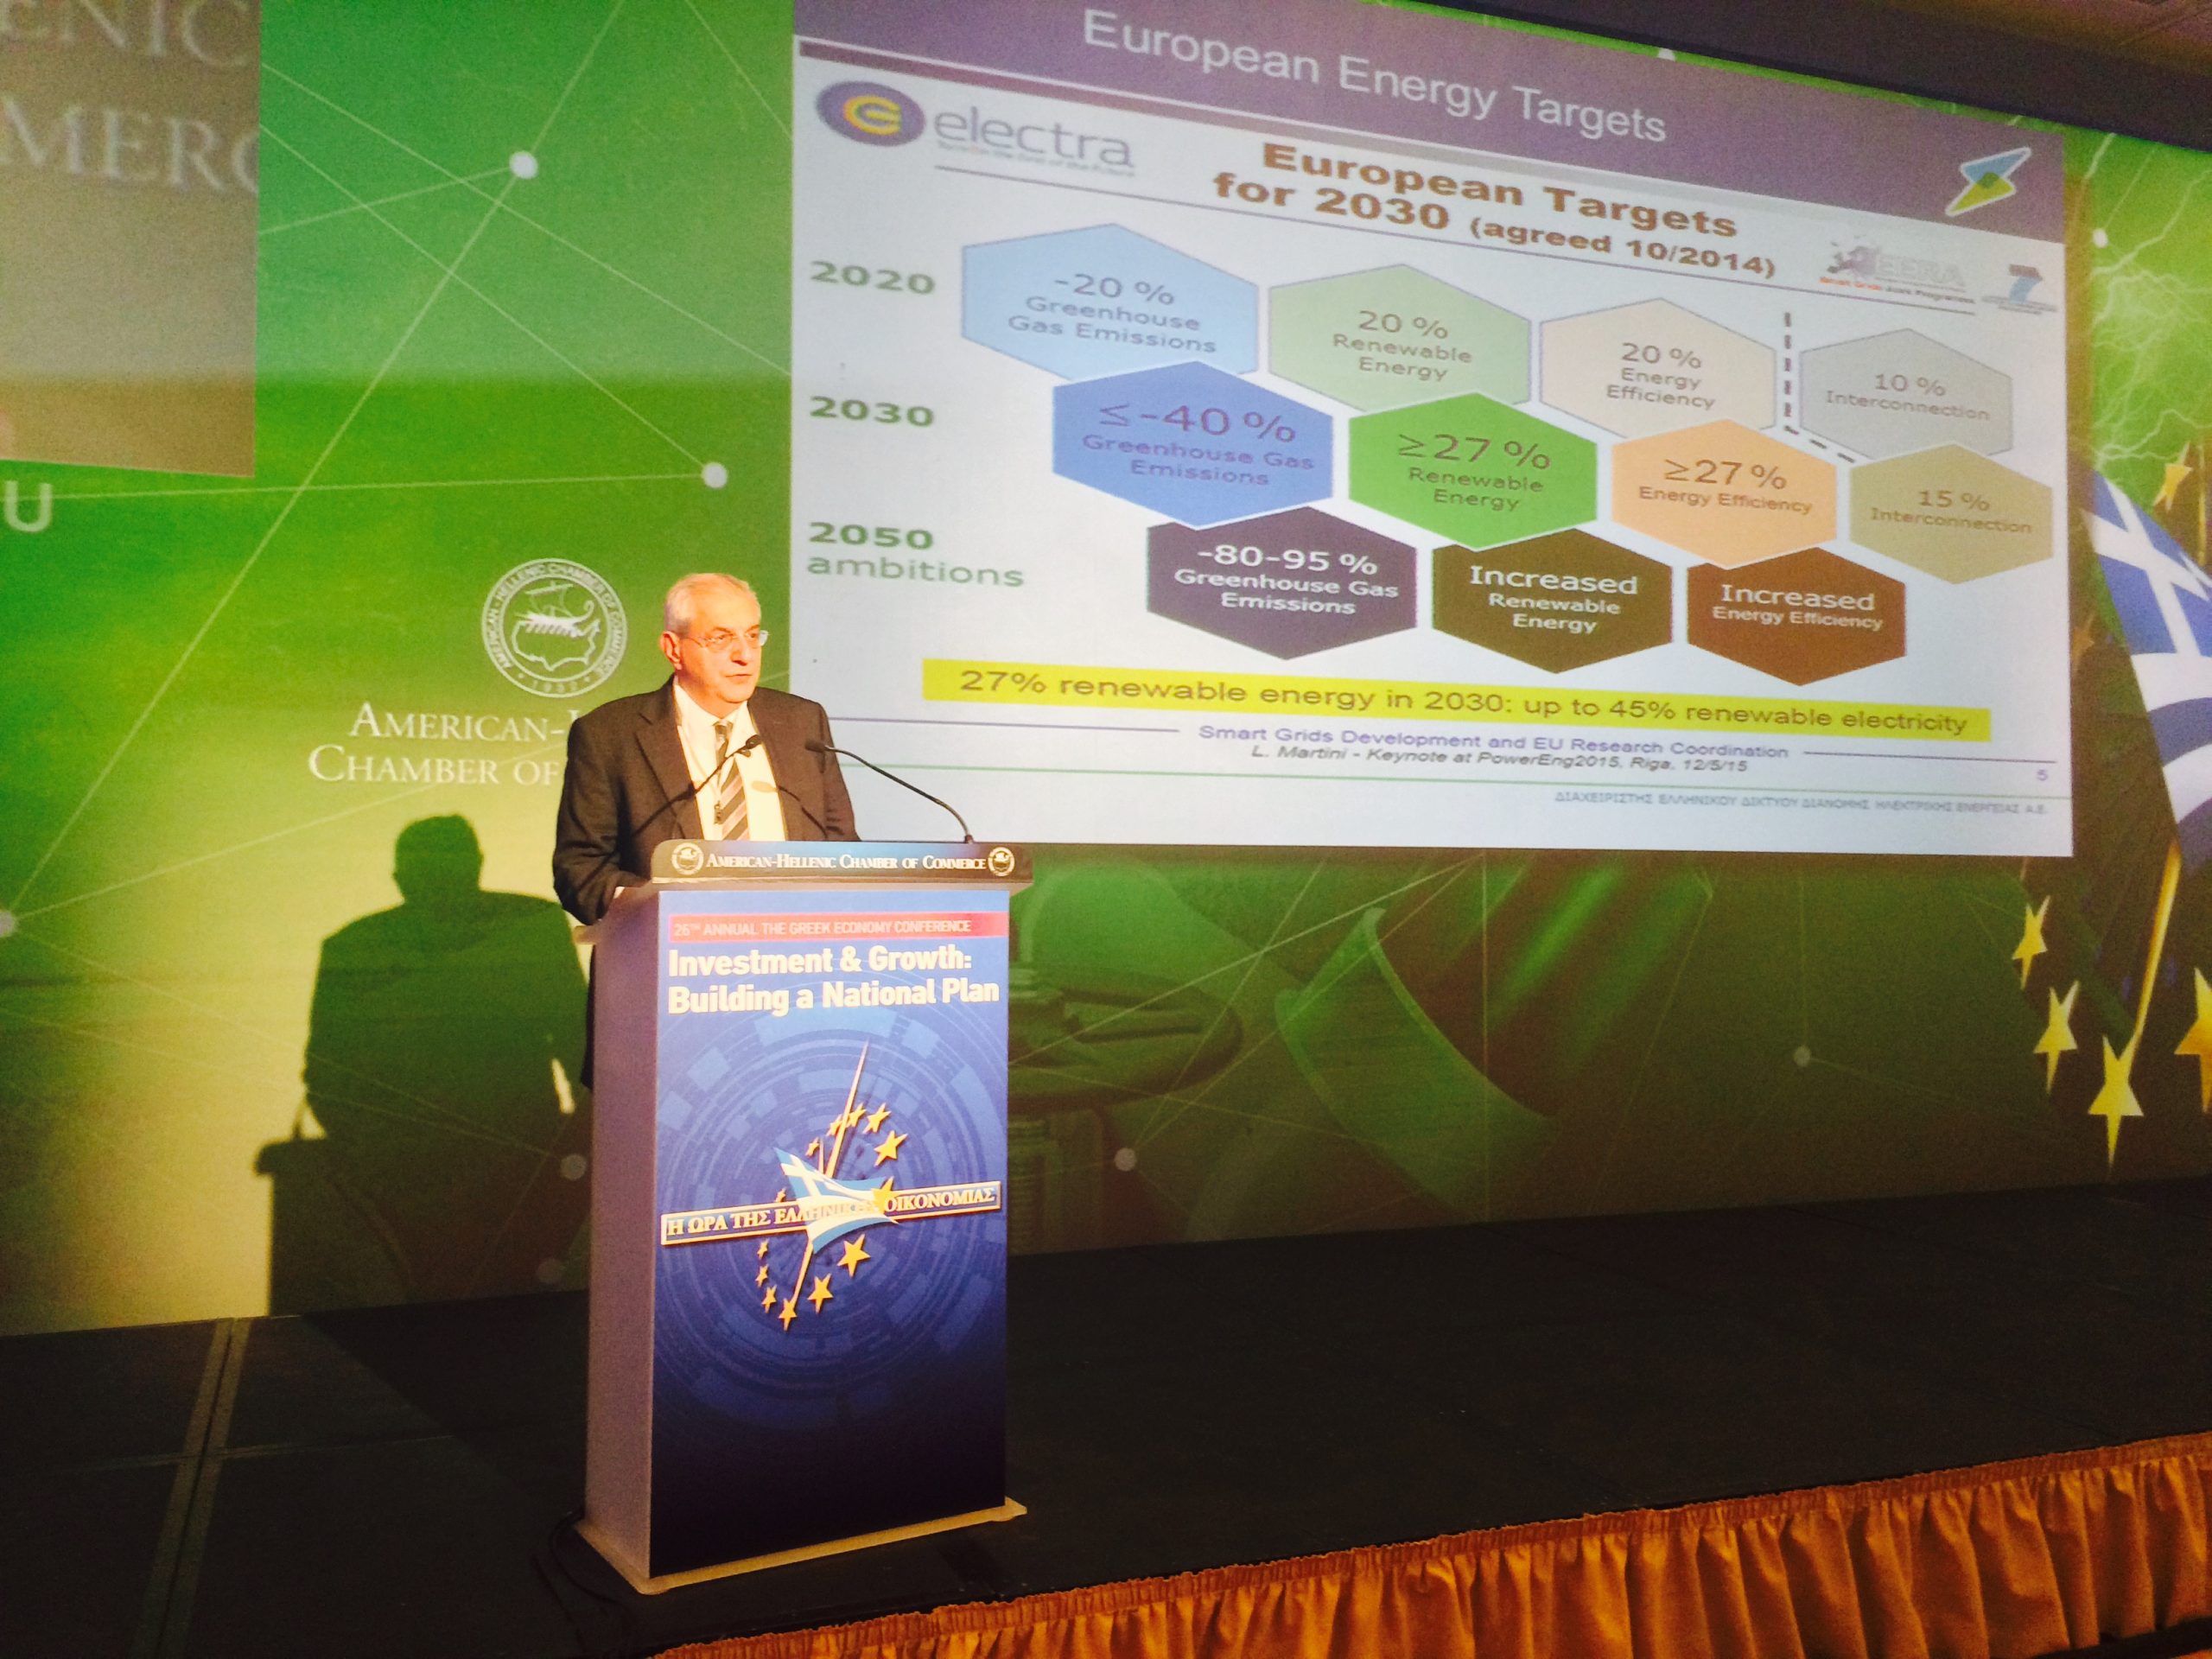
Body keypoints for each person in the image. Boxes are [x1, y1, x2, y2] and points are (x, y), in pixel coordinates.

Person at [553, 572, 857, 925]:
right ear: (674, 649)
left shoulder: (801, 723)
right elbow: (581, 870)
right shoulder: (610, 734)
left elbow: (843, 852)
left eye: (752, 635)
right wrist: (668, 909)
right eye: (720, 638)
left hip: (793, 947)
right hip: (673, 949)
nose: (744, 655)